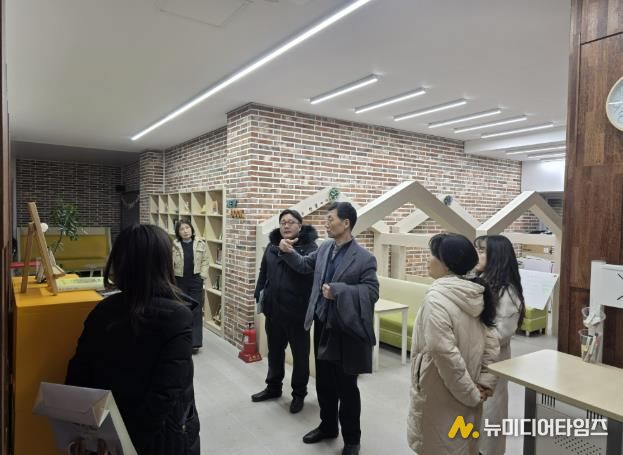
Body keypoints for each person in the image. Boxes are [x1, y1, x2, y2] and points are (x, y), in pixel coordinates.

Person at [66, 224, 200, 455]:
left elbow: (78, 374)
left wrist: (94, 436)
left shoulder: (102, 310)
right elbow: (165, 394)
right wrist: (126, 444)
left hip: (105, 433)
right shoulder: (177, 316)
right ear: (163, 263)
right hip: (159, 439)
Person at [279, 201, 379, 455]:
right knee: (324, 382)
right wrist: (288, 252)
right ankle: (328, 426)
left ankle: (352, 440)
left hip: (346, 330)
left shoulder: (365, 258)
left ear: (346, 223)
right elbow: (305, 265)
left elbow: (371, 292)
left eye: (330, 219)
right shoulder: (324, 248)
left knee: (347, 388)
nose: (326, 223)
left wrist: (339, 291)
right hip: (323, 324)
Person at [407, 233, 499, 455]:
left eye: (432, 255)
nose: (427, 259)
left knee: (440, 445)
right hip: (470, 386)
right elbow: (492, 343)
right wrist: (483, 383)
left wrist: (470, 393)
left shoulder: (437, 298)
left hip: (440, 391)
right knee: (462, 443)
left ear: (447, 264)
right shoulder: (475, 291)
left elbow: (444, 353)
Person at [251, 209, 318, 413]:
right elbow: (264, 271)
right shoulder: (272, 246)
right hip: (274, 310)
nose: (286, 225)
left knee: (300, 357)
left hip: (297, 313)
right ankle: (273, 387)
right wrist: (259, 291)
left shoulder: (310, 248)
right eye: (283, 222)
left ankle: (299, 394)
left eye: (291, 222)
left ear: (300, 225)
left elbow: (305, 271)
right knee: (274, 352)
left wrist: (288, 251)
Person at [475, 235, 526, 455]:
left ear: (497, 257)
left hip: (492, 365)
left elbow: (499, 335)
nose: (476, 255)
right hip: (474, 362)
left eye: (482, 251)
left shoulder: (508, 293)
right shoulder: (480, 281)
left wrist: (469, 332)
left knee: (489, 419)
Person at [172, 220, 209, 351]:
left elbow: (205, 260)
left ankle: (195, 343)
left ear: (192, 229)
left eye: (187, 228)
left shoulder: (200, 243)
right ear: (178, 232)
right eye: (182, 229)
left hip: (195, 281)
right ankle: (181, 340)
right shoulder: (174, 245)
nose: (185, 231)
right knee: (181, 310)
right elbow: (170, 263)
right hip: (179, 281)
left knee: (196, 311)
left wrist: (202, 276)